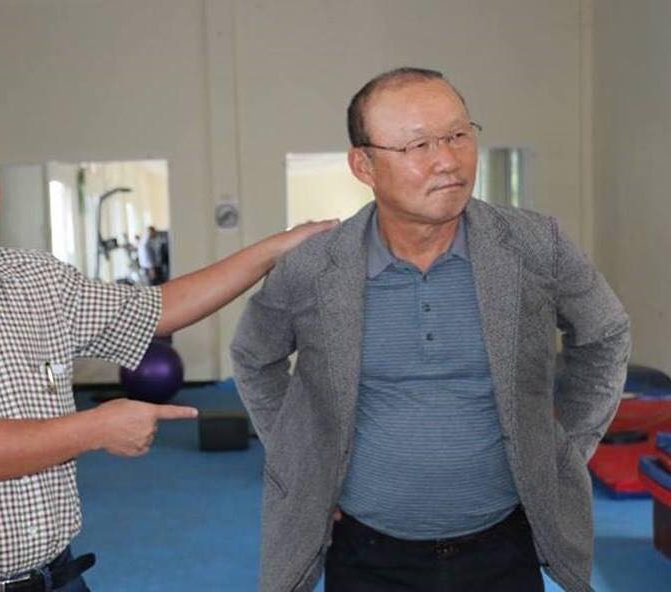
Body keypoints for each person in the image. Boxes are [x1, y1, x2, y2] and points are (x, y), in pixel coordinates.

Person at [0, 89, 335, 592]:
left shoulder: (37, 279)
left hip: (57, 575)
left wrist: (276, 249)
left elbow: (160, 308)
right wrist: (97, 427)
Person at [230, 67, 630, 592]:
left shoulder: (535, 246)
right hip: (367, 555)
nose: (448, 160)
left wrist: (563, 453)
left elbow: (605, 336)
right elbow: (254, 356)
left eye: (458, 135)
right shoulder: (313, 267)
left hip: (504, 547)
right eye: (418, 145)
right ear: (363, 165)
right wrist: (303, 460)